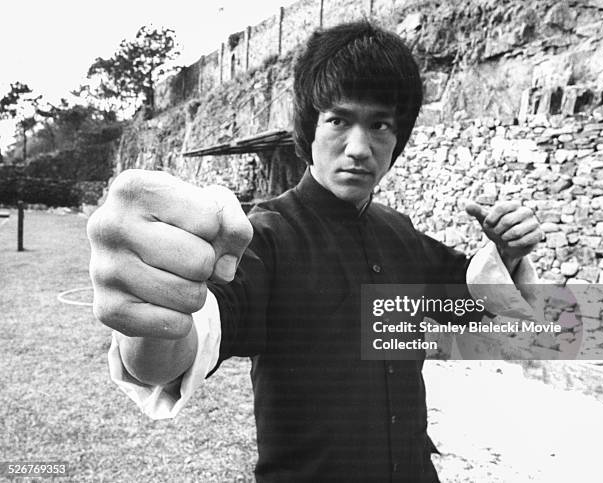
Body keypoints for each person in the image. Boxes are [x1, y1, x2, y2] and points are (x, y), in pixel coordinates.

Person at [88, 21, 543, 482]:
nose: (360, 148)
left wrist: (504, 251)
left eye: (381, 124)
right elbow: (179, 348)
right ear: (309, 128)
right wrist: (151, 311)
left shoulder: (401, 233)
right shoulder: (267, 238)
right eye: (339, 120)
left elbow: (471, 300)